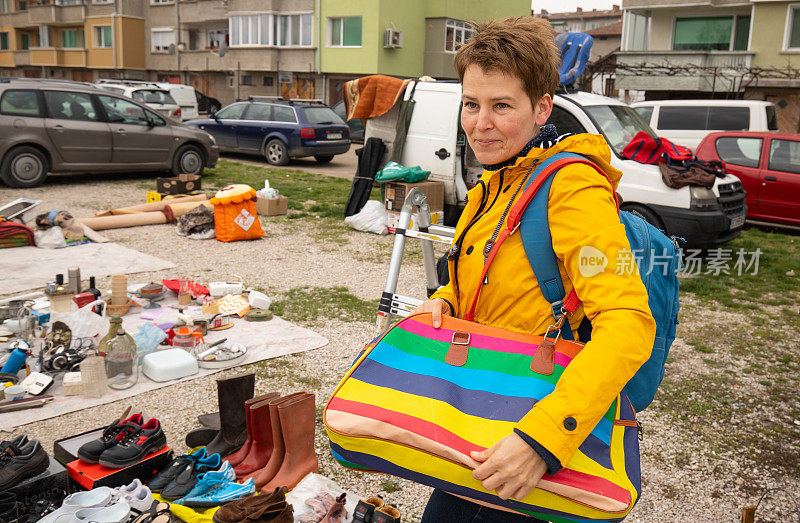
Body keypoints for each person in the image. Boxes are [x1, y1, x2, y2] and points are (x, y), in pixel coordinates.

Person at [413, 17, 656, 522]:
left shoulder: (573, 192)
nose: (481, 123)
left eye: (502, 105)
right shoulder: (489, 188)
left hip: (531, 437)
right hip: (475, 417)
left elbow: (629, 322)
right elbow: (486, 285)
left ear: (542, 107)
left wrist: (543, 440)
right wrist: (446, 304)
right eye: (471, 104)